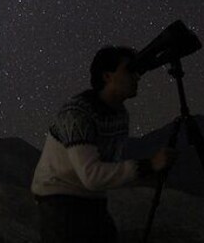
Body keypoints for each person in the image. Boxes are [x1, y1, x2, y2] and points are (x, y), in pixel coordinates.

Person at [31, 46, 176, 243]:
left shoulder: (119, 115)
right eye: (129, 70)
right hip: (59, 200)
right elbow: (92, 176)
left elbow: (107, 167)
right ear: (107, 76)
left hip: (92, 199)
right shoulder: (76, 114)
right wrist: (148, 165)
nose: (137, 77)